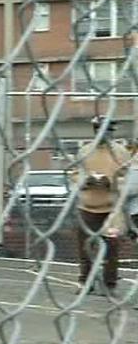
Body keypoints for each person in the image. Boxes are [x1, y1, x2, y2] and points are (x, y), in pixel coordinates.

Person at [69, 115, 130, 298]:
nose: (105, 134)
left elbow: (127, 177)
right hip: (87, 207)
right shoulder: (85, 151)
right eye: (100, 129)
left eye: (109, 130)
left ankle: (109, 284)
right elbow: (74, 173)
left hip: (112, 209)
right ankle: (85, 282)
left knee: (112, 247)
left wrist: (111, 182)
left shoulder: (121, 152)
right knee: (85, 247)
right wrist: (85, 181)